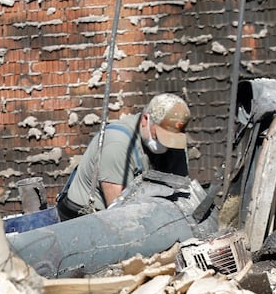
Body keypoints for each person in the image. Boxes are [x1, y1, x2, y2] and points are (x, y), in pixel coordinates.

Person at [57, 92, 191, 219]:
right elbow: (119, 214)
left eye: (172, 138)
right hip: (83, 218)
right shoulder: (117, 144)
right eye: (160, 136)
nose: (166, 144)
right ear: (145, 119)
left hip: (140, 210)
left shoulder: (175, 143)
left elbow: (181, 191)